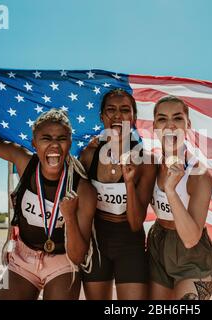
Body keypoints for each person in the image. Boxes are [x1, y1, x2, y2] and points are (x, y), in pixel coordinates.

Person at [0, 57, 96, 300]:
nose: (54, 146)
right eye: (46, 138)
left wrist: (69, 217)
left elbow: (78, 256)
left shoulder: (83, 189)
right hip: (23, 258)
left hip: (63, 261)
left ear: (70, 143)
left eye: (61, 139)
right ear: (34, 143)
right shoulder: (24, 163)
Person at [78, 88, 156, 300]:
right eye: (110, 110)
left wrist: (129, 183)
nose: (117, 116)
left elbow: (135, 222)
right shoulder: (88, 155)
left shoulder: (146, 162)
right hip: (97, 242)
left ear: (133, 118)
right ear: (102, 116)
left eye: (124, 110)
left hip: (130, 243)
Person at [147, 95, 212, 300]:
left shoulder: (199, 174)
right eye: (162, 119)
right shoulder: (150, 165)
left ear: (188, 124)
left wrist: (170, 190)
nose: (169, 125)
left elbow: (190, 239)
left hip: (192, 255)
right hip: (158, 244)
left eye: (177, 118)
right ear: (154, 126)